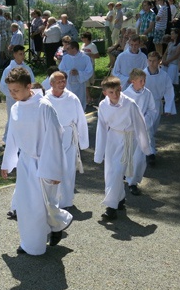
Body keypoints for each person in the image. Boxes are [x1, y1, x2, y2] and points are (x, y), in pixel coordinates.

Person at [1, 67, 72, 255]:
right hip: (25, 162)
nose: (13, 94)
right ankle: (30, 243)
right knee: (27, 205)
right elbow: (13, 137)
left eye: (16, 90)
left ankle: (57, 225)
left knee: (45, 204)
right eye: (10, 91)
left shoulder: (44, 107)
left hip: (44, 162)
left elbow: (55, 139)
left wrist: (54, 171)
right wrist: (8, 162)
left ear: (28, 86)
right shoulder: (16, 108)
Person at [94, 76, 151, 220]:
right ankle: (119, 198)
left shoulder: (130, 104)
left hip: (127, 138)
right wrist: (99, 152)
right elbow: (101, 128)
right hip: (112, 137)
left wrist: (146, 147)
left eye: (117, 91)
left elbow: (140, 125)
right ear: (105, 92)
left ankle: (111, 207)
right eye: (111, 92)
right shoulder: (103, 105)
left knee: (118, 172)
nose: (115, 95)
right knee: (110, 171)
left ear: (120, 89)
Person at [44, 71, 89, 209]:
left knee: (68, 170)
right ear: (51, 84)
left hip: (69, 137)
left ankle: (67, 201)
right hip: (51, 138)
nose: (62, 84)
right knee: (52, 170)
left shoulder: (72, 98)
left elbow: (81, 120)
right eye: (59, 81)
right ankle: (52, 200)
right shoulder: (45, 99)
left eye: (63, 81)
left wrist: (83, 142)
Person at [123, 68, 157, 195]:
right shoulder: (125, 95)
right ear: (133, 81)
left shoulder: (147, 93)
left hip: (142, 129)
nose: (143, 83)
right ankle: (125, 174)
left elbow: (152, 110)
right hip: (129, 130)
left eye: (144, 80)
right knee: (127, 155)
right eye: (141, 81)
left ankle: (133, 182)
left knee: (139, 158)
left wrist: (144, 121)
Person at [0, 45, 35, 143]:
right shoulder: (8, 69)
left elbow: (32, 83)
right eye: (20, 54)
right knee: (12, 117)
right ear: (14, 55)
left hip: (26, 99)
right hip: (12, 99)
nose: (22, 56)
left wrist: (28, 95)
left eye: (23, 54)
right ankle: (7, 139)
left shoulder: (27, 68)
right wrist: (14, 95)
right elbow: (3, 86)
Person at [58, 40, 93, 110]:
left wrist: (79, 73)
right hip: (69, 84)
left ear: (74, 49)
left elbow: (89, 71)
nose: (66, 50)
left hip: (80, 84)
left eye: (68, 49)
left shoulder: (85, 58)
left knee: (80, 103)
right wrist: (69, 72)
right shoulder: (65, 58)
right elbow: (61, 69)